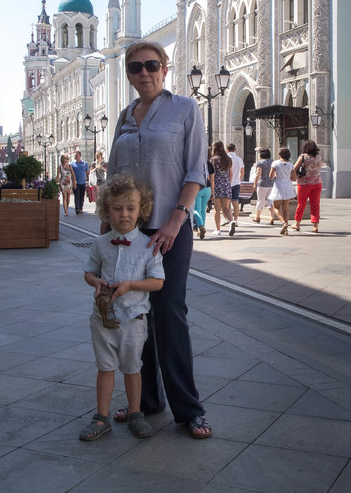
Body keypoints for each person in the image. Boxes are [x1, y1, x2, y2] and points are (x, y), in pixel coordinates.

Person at [104, 41, 212, 439]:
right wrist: (107, 234)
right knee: (135, 314)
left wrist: (175, 220)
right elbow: (113, 179)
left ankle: (189, 409)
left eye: (152, 65)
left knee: (169, 313)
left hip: (170, 229)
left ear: (165, 69)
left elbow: (196, 171)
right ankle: (147, 401)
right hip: (130, 232)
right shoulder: (124, 116)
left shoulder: (185, 108)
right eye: (136, 68)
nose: (144, 72)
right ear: (129, 75)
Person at [80, 174, 164, 442]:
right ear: (107, 210)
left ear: (141, 210)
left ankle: (136, 413)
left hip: (133, 319)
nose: (124, 214)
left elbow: (158, 282)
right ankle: (101, 417)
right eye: (117, 208)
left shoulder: (148, 246)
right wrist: (95, 281)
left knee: (132, 368)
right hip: (102, 318)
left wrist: (130, 286)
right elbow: (89, 272)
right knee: (105, 367)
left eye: (130, 208)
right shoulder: (100, 243)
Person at [293, 140, 323, 233]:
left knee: (301, 203)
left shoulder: (303, 157)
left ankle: (297, 224)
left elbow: (294, 168)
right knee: (315, 204)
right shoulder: (319, 157)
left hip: (304, 183)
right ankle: (315, 226)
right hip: (317, 183)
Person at [269, 147, 296, 235]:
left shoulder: (275, 163)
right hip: (287, 184)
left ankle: (283, 223)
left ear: (280, 154)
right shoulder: (291, 164)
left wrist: (276, 174)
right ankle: (286, 230)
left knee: (276, 207)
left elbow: (270, 176)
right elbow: (294, 178)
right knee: (285, 208)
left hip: (278, 184)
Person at [211, 140, 235, 237]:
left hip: (217, 185)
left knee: (217, 209)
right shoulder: (228, 159)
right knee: (226, 208)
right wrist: (228, 184)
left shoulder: (214, 160)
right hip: (226, 185)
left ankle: (218, 230)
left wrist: (212, 189)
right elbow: (231, 174)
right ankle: (232, 221)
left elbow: (212, 176)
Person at [193, 150, 214, 239]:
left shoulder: (196, 162)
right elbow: (212, 179)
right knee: (203, 210)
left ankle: (200, 226)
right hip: (207, 188)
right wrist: (212, 191)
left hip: (198, 187)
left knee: (195, 209)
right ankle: (202, 228)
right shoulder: (209, 163)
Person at [252, 148, 275, 225]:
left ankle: (257, 217)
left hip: (262, 184)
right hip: (271, 183)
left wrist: (255, 184)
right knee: (270, 200)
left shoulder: (260, 163)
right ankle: (272, 217)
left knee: (260, 200)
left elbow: (258, 174)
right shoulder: (273, 162)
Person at [226, 143, 244, 225]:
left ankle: (228, 219)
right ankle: (236, 220)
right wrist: (238, 179)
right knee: (235, 203)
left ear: (227, 149)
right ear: (235, 149)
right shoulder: (239, 159)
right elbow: (242, 172)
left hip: (227, 182)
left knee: (226, 203)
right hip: (236, 182)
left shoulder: (226, 158)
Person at [71, 149, 89, 214]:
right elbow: (70, 173)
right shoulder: (72, 164)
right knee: (77, 195)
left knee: (82, 196)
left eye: (77, 155)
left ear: (80, 156)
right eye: (75, 155)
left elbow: (87, 172)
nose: (75, 156)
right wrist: (73, 182)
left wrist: (88, 181)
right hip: (76, 183)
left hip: (83, 182)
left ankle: (81, 207)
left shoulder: (85, 163)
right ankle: (77, 208)